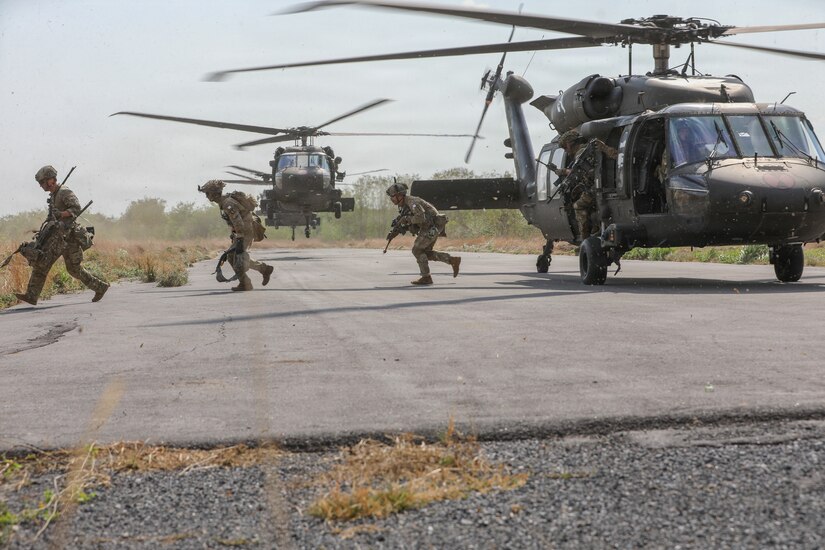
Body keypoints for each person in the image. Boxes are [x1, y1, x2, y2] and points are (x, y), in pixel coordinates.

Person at [15, 165, 109, 305]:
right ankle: (31, 295)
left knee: (68, 268)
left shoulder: (64, 192)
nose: (41, 186)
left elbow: (76, 208)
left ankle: (100, 287)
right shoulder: (54, 195)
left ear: (51, 180)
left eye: (42, 182)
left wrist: (61, 214)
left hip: (69, 237)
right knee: (45, 263)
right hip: (58, 237)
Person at [198, 180, 274, 291]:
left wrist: (239, 238)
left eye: (207, 193)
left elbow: (238, 222)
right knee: (234, 256)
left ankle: (246, 283)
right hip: (244, 231)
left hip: (245, 232)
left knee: (234, 257)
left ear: (214, 193)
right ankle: (263, 270)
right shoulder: (224, 201)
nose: (206, 196)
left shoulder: (227, 204)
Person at [386, 182, 461, 285]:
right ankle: (452, 260)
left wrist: (406, 219)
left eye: (393, 196)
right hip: (430, 226)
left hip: (432, 226)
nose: (392, 199)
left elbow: (421, 217)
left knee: (417, 250)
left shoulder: (412, 202)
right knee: (425, 253)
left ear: (400, 195)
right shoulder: (405, 205)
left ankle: (426, 277)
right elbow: (410, 220)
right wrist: (397, 230)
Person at [554, 130, 617, 242]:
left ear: (569, 144)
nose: (566, 151)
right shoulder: (588, 149)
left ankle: (585, 239)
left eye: (565, 147)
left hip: (595, 188)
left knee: (578, 206)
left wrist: (563, 171)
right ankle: (595, 228)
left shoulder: (581, 153)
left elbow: (579, 172)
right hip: (599, 186)